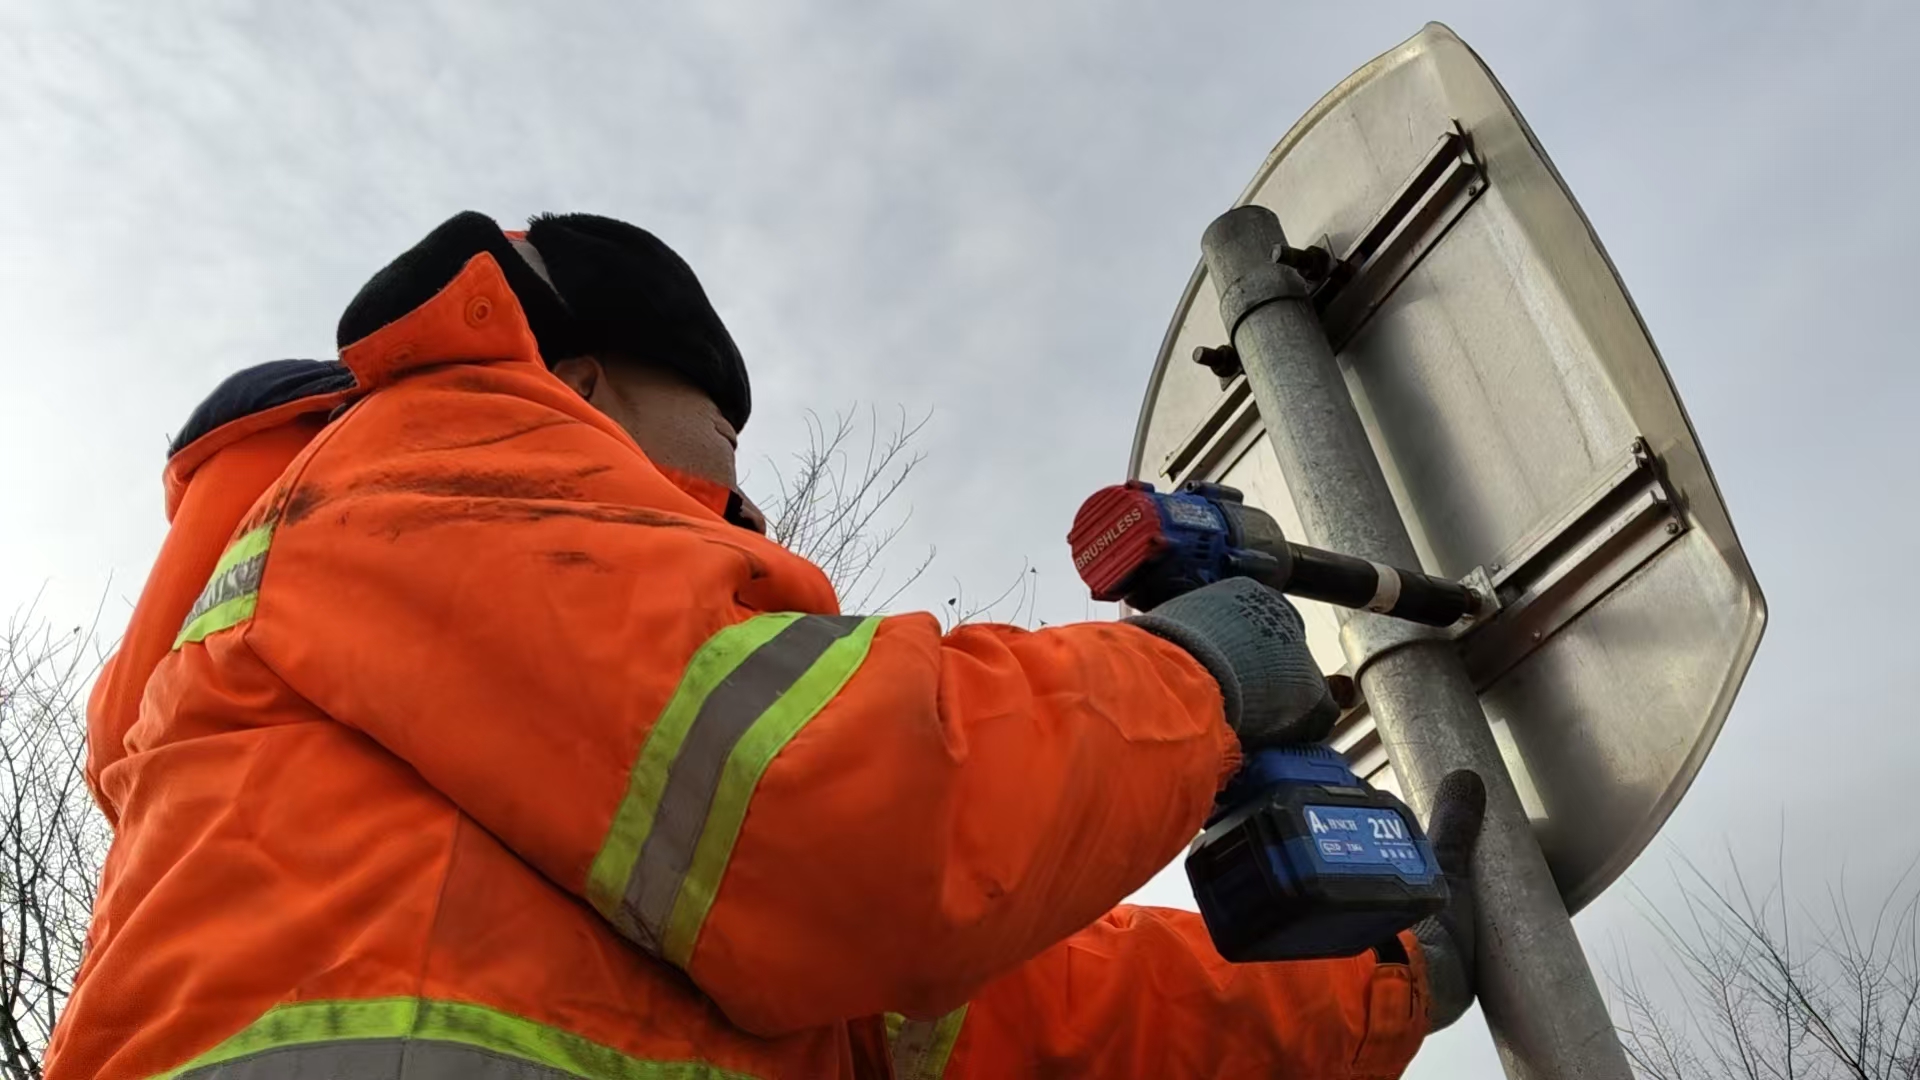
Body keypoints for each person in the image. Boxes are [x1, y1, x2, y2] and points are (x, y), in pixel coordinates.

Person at [47, 211, 1484, 1079]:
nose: (746, 496)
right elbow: (847, 817)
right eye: (723, 428)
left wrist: (1372, 987)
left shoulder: (458, 784)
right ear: (582, 383)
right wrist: (1190, 679)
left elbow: (1003, 1011)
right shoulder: (423, 468)